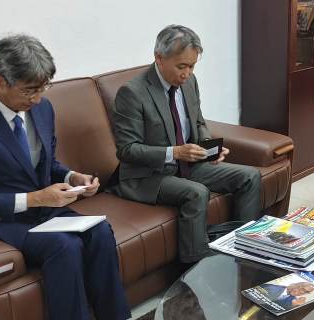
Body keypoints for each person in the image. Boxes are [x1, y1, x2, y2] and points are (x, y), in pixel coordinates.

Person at [0, 34, 137, 320]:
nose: (38, 97)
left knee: (99, 229)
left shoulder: (42, 110)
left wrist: (73, 176)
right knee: (64, 245)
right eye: (30, 90)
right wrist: (36, 199)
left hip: (44, 208)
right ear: (0, 81)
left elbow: (48, 165)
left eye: (44, 88)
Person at [111, 24, 261, 263]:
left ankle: (243, 251)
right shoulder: (132, 93)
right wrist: (175, 152)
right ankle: (195, 268)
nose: (187, 73)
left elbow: (198, 122)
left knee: (250, 176)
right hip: (147, 176)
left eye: (192, 66)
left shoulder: (190, 83)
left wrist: (210, 147)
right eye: (182, 66)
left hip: (188, 166)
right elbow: (127, 150)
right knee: (196, 193)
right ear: (159, 58)